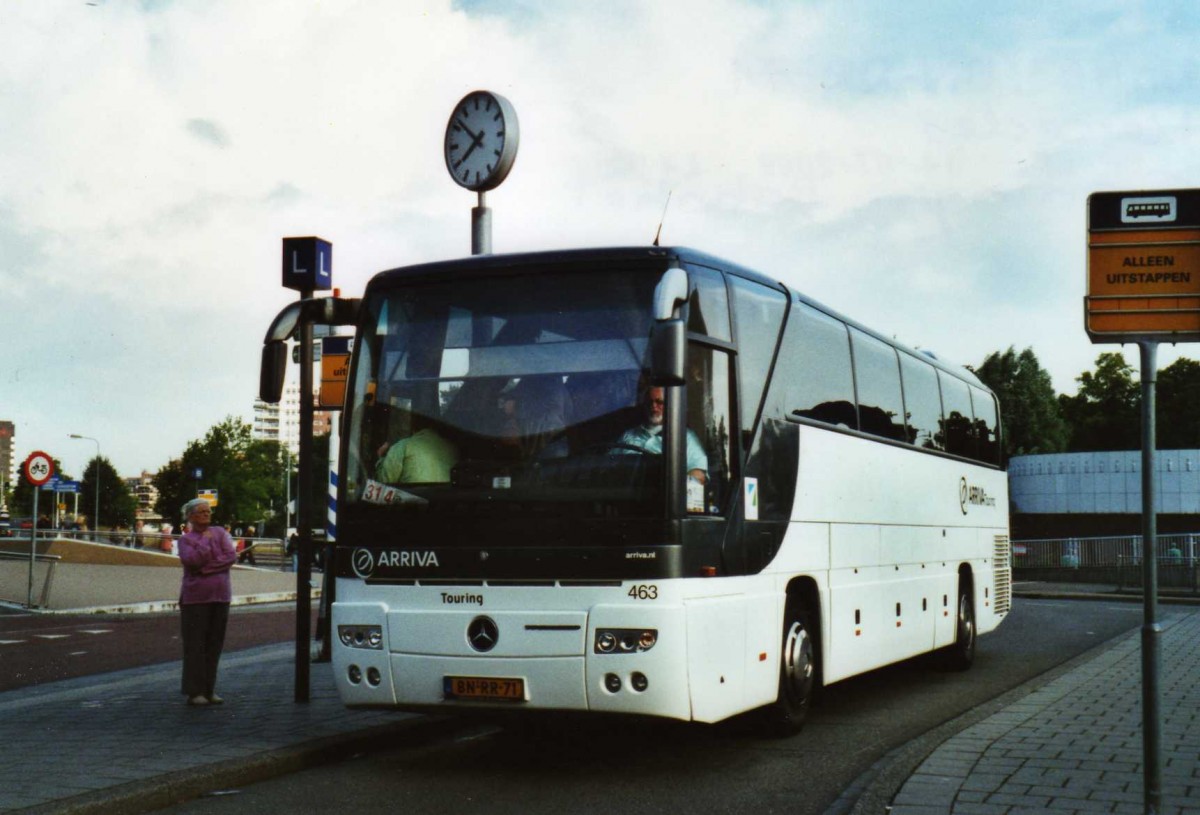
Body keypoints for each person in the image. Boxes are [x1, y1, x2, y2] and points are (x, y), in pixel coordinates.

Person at [177, 498, 237, 707]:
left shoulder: (220, 532)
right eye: (201, 512)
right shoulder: (185, 540)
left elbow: (230, 556)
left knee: (214, 645)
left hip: (220, 596)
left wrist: (207, 569)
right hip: (195, 599)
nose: (206, 514)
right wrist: (205, 542)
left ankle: (209, 689)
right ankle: (195, 692)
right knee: (195, 645)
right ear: (191, 516)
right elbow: (192, 561)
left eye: (208, 511)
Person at [616, 385, 708, 483]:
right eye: (650, 402)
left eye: (659, 402)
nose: (653, 406)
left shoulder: (684, 437)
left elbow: (699, 474)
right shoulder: (628, 435)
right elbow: (610, 465)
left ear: (669, 404)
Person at [375, 419, 458, 484]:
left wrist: (380, 458)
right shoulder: (452, 448)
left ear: (413, 429)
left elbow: (383, 482)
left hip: (412, 503)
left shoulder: (404, 446)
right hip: (444, 504)